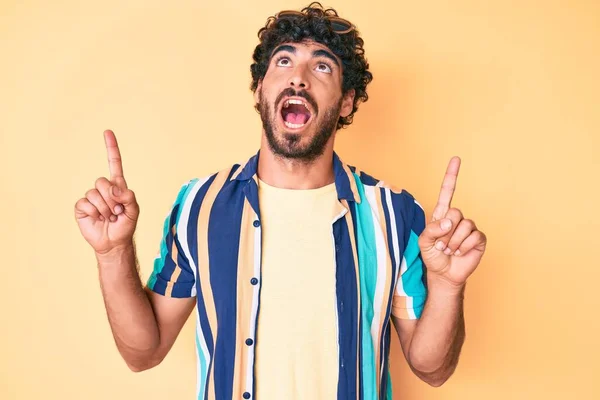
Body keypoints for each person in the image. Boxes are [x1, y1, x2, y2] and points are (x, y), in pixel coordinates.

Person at [74, 2, 487, 399]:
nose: (299, 78)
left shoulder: (395, 215)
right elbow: (143, 352)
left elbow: (433, 369)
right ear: (259, 89)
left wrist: (448, 286)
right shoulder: (200, 204)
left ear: (346, 101)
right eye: (284, 62)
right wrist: (113, 253)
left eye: (322, 66)